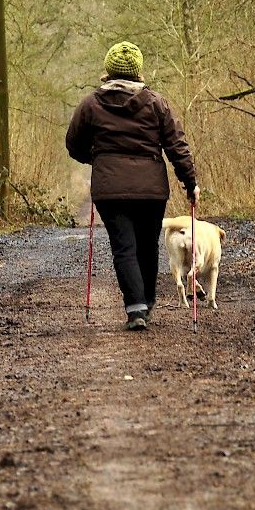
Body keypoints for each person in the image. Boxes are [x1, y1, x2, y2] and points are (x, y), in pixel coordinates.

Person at [66, 41, 199, 331]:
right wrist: (190, 182)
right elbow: (177, 146)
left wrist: (99, 160)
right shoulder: (156, 102)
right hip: (151, 190)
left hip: (110, 191)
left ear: (108, 71)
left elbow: (73, 145)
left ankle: (136, 307)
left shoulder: (90, 104)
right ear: (138, 71)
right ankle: (147, 301)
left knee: (124, 247)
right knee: (147, 246)